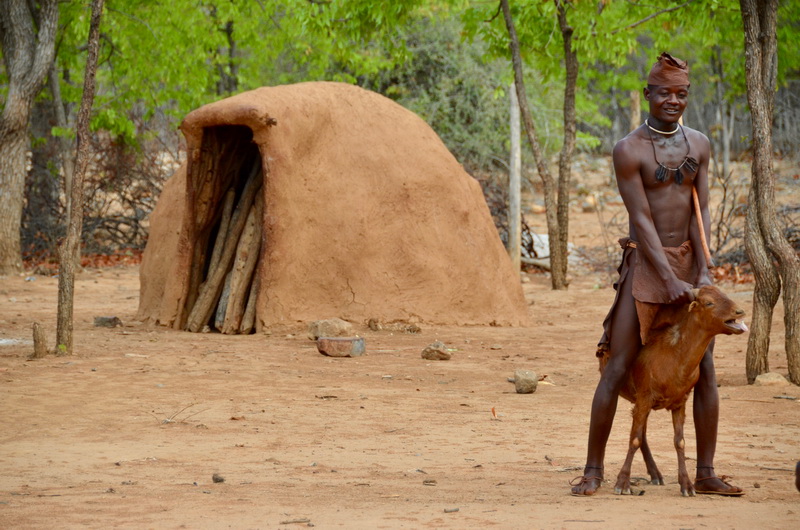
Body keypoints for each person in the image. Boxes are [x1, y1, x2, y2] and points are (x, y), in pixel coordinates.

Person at [570, 52, 743, 496]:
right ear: (647, 94)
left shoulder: (699, 144)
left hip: (688, 265)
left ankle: (704, 473)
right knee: (618, 362)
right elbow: (641, 219)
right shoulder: (629, 149)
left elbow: (701, 210)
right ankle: (593, 469)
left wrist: (703, 265)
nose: (673, 100)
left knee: (702, 366)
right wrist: (666, 278)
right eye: (664, 92)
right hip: (647, 268)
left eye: (681, 94)